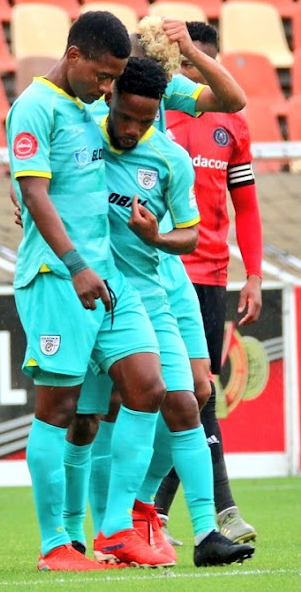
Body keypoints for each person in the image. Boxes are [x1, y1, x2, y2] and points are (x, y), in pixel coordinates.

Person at [6, 11, 174, 571]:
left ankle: (116, 529)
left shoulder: (88, 108)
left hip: (107, 279)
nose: (109, 91)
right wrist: (75, 263)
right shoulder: (34, 106)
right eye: (103, 77)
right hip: (59, 279)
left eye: (115, 79)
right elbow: (34, 194)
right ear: (73, 55)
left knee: (148, 386)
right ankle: (56, 542)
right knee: (58, 408)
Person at [78, 57, 254, 567]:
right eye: (125, 117)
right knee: (102, 412)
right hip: (102, 294)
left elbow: (191, 234)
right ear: (108, 98)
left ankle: (198, 533)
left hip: (157, 290)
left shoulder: (169, 158)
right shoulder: (82, 135)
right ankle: (92, 529)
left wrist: (155, 236)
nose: (132, 130)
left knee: (190, 398)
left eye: (144, 120)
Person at [155, 21, 262, 545]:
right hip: (159, 271)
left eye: (205, 62)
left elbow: (247, 206)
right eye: (190, 63)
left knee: (199, 395)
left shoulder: (232, 126)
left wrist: (255, 273)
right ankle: (215, 511)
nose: (198, 72)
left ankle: (162, 512)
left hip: (211, 275)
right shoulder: (150, 110)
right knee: (178, 395)